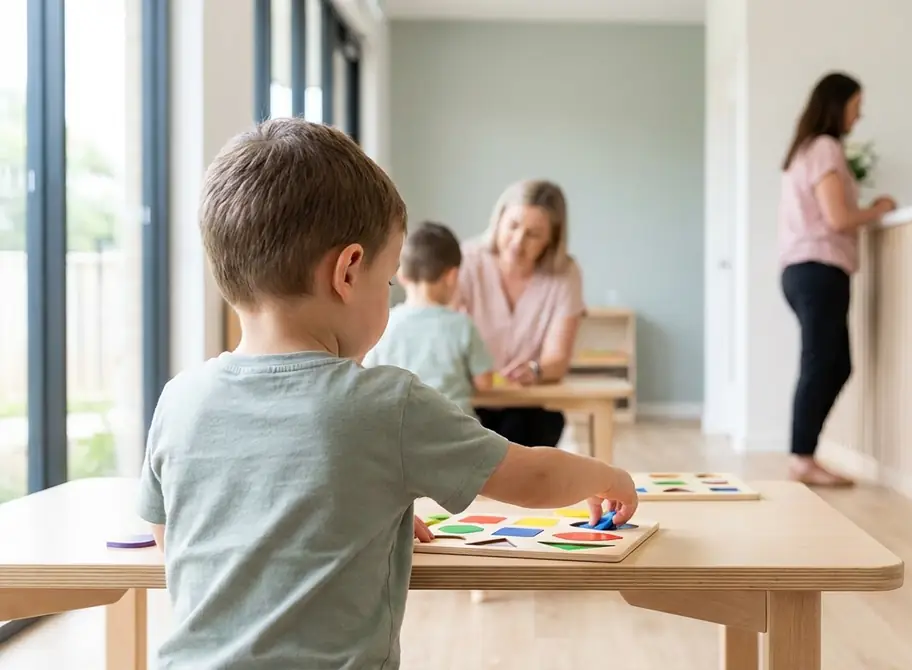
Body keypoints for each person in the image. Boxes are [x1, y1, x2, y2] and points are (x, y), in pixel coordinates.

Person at [136, 118, 637, 669]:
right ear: (349, 272)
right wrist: (606, 475)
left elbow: (173, 538)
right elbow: (532, 477)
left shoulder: (178, 400)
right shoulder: (387, 404)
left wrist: (359, 513)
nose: (392, 292)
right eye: (390, 278)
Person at [777, 72, 897, 486]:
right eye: (855, 106)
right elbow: (838, 218)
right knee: (820, 363)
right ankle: (802, 458)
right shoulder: (826, 148)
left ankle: (804, 453)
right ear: (837, 105)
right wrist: (877, 209)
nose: (859, 115)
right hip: (818, 268)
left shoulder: (806, 150)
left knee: (835, 364)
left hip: (805, 269)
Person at [456, 179, 585, 448]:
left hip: (527, 402)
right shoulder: (466, 260)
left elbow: (557, 359)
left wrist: (536, 370)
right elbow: (445, 331)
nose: (517, 242)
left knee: (534, 426)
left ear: (552, 238)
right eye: (513, 226)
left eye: (533, 234)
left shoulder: (565, 275)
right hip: (472, 397)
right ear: (499, 219)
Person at [363, 221, 494, 415]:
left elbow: (367, 375)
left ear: (401, 275)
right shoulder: (461, 325)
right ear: (452, 276)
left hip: (401, 432)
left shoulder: (385, 323)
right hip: (456, 432)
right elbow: (485, 383)